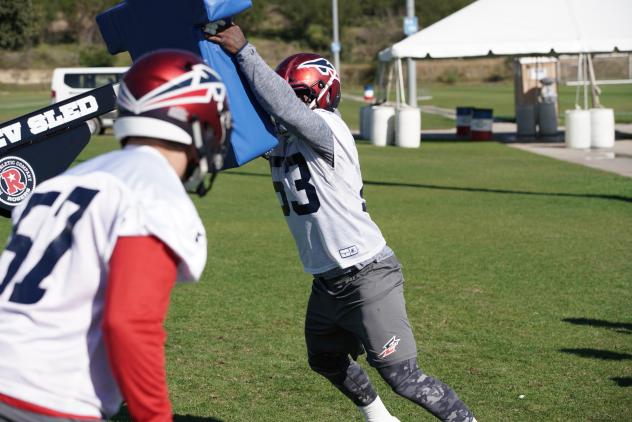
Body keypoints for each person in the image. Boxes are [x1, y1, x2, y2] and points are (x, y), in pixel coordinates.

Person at [207, 25, 476, 422]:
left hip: (367, 274)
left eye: (297, 92)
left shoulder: (329, 128)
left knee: (404, 378)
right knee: (325, 359)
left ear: (318, 92)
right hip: (327, 281)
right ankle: (380, 418)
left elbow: (285, 107)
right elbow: (243, 125)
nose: (285, 101)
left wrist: (245, 51)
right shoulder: (280, 139)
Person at [0, 49, 230, 422]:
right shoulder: (153, 191)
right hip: (47, 397)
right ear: (200, 120)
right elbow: (129, 322)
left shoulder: (62, 181)